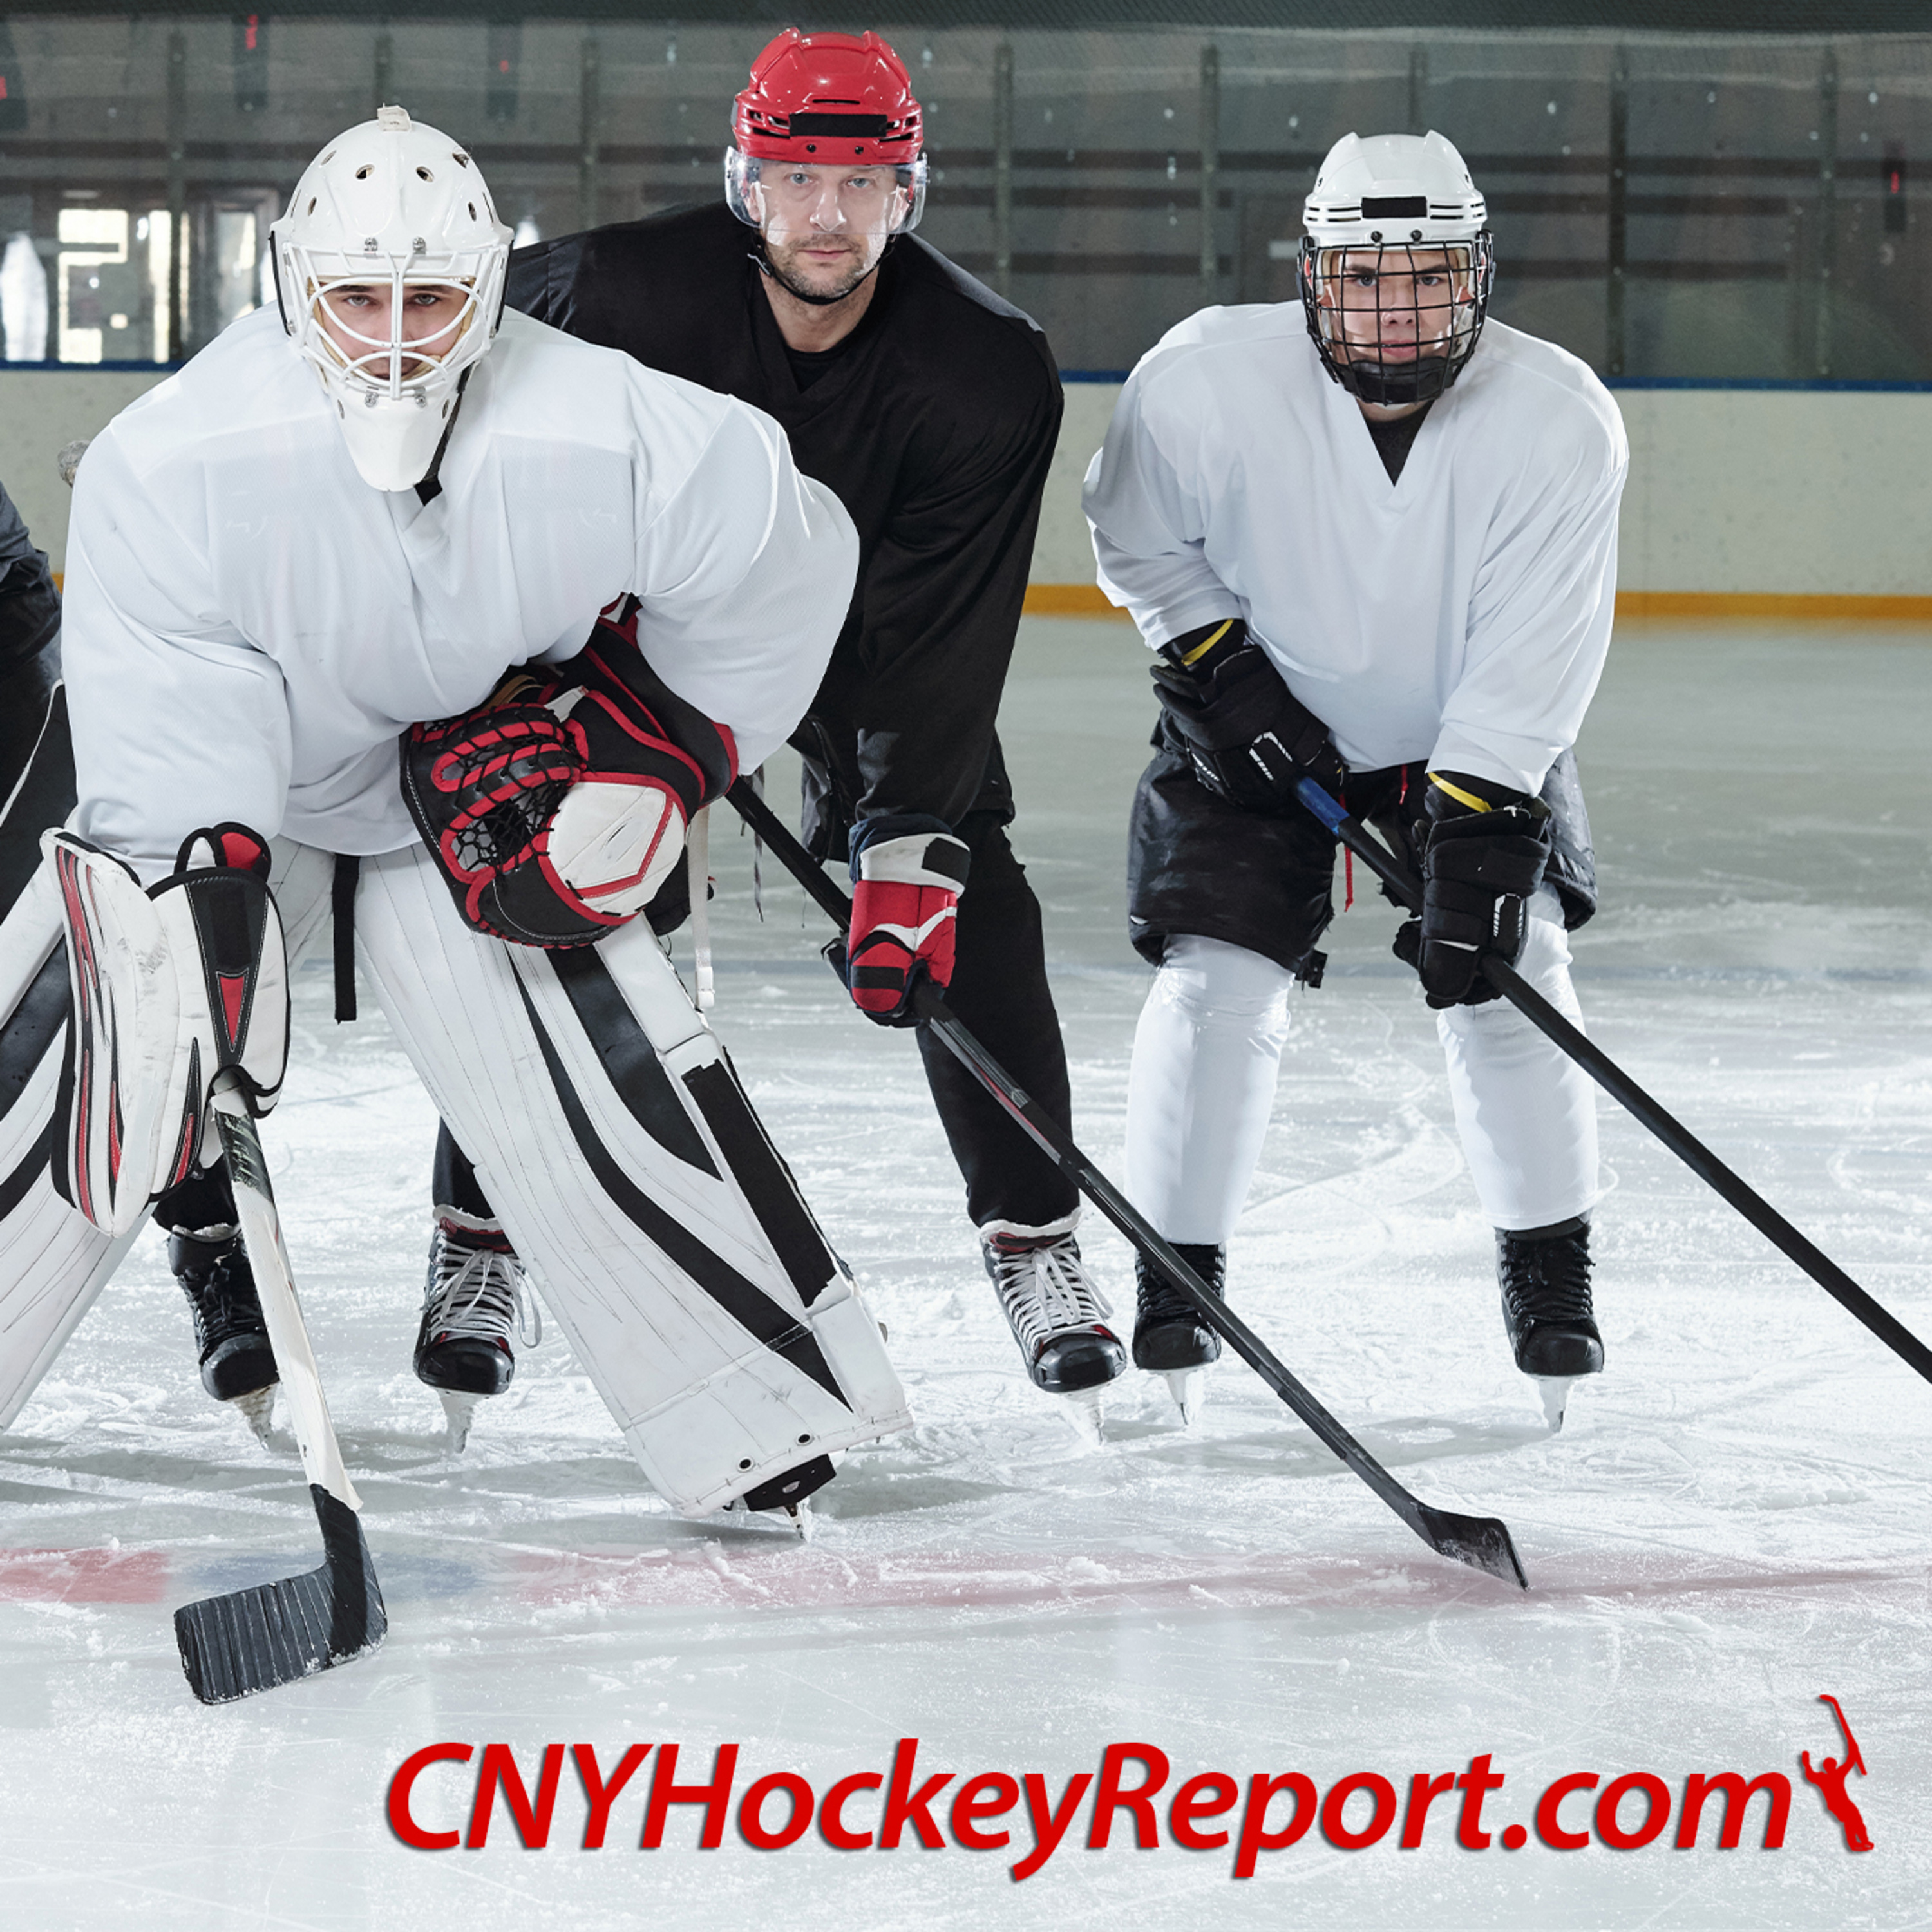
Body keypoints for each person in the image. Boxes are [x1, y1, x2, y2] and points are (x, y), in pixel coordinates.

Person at [0, 106, 910, 1525]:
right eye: (360, 300)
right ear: (295, 288)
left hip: (475, 788)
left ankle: (751, 1415)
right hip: (253, 795)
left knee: (588, 1064)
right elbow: (173, 719)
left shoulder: (611, 427)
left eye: (427, 299)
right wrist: (201, 917)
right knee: (88, 1035)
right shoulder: (172, 459)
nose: (395, 340)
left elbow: (788, 560)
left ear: (487, 288)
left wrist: (650, 741)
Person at [412, 26, 1123, 1426]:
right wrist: (504, 675)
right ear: (748, 183)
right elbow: (454, 411)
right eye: (798, 180)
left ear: (909, 194)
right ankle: (482, 1234)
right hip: (632, 639)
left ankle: (1036, 1236)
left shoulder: (983, 367)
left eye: (862, 184)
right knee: (566, 891)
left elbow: (942, 631)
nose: (828, 216)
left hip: (860, 645)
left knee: (973, 898)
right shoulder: (608, 296)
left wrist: (906, 838)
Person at [1083, 130, 1625, 1421]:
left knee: (1513, 971)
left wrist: (1480, 821)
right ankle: (1178, 1279)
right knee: (1215, 979)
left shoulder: (1558, 418)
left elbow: (1536, 651)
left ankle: (1551, 1276)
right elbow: (1137, 539)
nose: (1397, 311)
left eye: (1429, 276)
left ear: (1475, 277)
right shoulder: (1202, 381)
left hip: (1470, 738)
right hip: (1259, 727)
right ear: (1313, 276)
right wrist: (1220, 669)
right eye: (1367, 277)